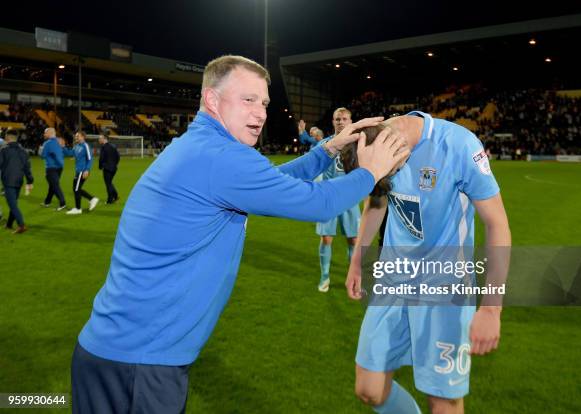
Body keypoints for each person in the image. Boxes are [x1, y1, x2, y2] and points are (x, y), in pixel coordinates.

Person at [71, 55, 409, 414]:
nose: (261, 112)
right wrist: (370, 172)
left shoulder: (206, 147)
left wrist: (328, 149)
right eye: (247, 99)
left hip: (115, 352)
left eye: (264, 102)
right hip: (141, 364)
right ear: (212, 100)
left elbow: (275, 183)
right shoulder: (221, 157)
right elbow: (319, 203)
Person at [344, 112, 511, 414]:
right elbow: (377, 201)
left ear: (394, 149)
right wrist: (357, 261)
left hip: (444, 288)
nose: (388, 179)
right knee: (369, 389)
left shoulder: (459, 145)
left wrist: (491, 307)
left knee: (444, 403)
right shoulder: (380, 147)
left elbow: (497, 224)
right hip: (393, 282)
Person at [314, 107, 362, 292]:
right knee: (326, 239)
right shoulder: (324, 145)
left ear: (350, 121)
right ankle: (325, 277)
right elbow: (316, 170)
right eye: (337, 119)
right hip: (329, 200)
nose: (341, 122)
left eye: (344, 119)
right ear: (333, 122)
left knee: (353, 240)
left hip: (350, 199)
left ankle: (352, 279)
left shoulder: (358, 144)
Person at [0, 131, 33, 234]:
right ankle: (9, 224)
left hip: (8, 180)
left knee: (12, 205)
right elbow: (27, 168)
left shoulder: (3, 150)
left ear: (7, 138)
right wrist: (30, 181)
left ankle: (21, 225)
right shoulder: (23, 151)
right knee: (13, 202)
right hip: (19, 180)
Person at [62, 131, 99, 215]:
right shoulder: (76, 146)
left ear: (83, 137)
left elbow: (90, 159)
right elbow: (70, 153)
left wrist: (87, 170)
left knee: (76, 189)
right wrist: (63, 147)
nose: (76, 138)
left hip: (83, 171)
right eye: (75, 136)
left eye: (77, 136)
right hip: (78, 171)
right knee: (76, 189)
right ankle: (92, 199)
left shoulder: (85, 146)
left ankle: (78, 208)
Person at [40, 127, 66, 211]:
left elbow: (42, 156)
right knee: (52, 185)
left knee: (55, 186)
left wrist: (40, 149)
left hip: (51, 168)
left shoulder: (47, 143)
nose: (44, 134)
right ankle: (47, 202)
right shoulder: (59, 141)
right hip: (60, 167)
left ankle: (62, 203)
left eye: (45, 133)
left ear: (50, 133)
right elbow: (63, 151)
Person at [98, 133, 120, 204]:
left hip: (107, 168)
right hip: (114, 168)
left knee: (108, 184)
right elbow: (118, 157)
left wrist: (100, 166)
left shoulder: (103, 147)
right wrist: (115, 164)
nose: (99, 140)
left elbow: (101, 158)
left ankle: (110, 200)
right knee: (109, 183)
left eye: (100, 138)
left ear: (104, 139)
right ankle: (115, 196)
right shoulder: (113, 146)